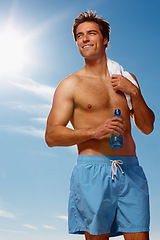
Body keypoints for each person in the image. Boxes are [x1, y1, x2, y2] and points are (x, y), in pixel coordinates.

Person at [45, 10, 155, 240]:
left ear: (105, 39)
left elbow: (147, 127)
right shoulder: (70, 84)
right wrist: (94, 131)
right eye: (79, 35)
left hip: (131, 170)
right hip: (92, 171)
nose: (84, 39)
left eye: (91, 33)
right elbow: (52, 135)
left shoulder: (126, 78)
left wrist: (134, 92)